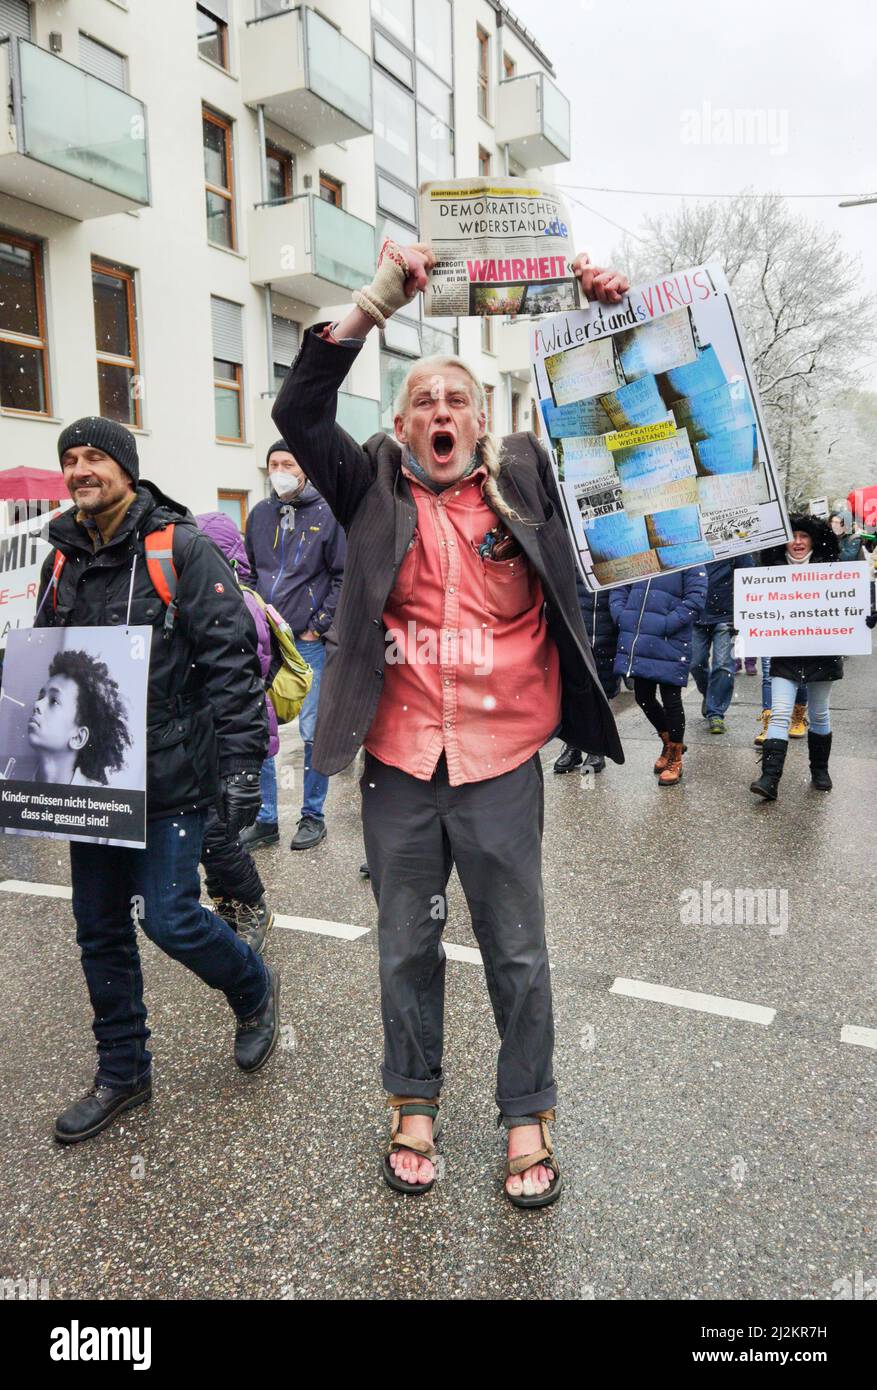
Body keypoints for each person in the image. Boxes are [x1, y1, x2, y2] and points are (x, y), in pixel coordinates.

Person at [271, 239, 628, 1207]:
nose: (440, 411)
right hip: (397, 759)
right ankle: (413, 1102)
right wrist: (381, 294)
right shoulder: (368, 487)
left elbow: (618, 441)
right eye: (423, 400)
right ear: (399, 425)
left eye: (455, 398)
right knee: (404, 946)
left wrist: (604, 318)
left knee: (515, 948)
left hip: (501, 757)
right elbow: (298, 410)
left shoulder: (526, 484)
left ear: (481, 419)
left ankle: (526, 1114)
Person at [37, 417, 281, 1145]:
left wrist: (241, 768)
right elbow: (44, 663)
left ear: (125, 467)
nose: (81, 469)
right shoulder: (60, 560)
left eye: (94, 458)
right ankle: (123, 1072)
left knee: (169, 918)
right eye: (70, 459)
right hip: (90, 780)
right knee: (98, 930)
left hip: (172, 773)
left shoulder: (180, 547)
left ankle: (252, 988)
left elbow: (233, 663)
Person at [242, 442, 346, 852]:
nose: (280, 470)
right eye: (274, 464)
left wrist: (317, 626)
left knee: (311, 732)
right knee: (262, 730)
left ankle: (312, 815)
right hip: (266, 643)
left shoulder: (328, 514)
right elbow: (248, 570)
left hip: (307, 644)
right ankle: (265, 818)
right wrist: (252, 612)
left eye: (288, 463)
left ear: (304, 469)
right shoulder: (260, 515)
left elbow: (341, 575)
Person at [196, 512, 279, 954]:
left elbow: (247, 672)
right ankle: (228, 904)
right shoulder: (216, 595)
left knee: (217, 831)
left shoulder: (238, 602)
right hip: (211, 735)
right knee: (211, 830)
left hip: (233, 737)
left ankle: (252, 904)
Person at [750, 516, 843, 800]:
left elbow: (849, 603)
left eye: (804, 536)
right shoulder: (769, 572)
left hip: (822, 653)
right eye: (793, 536)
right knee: (779, 712)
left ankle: (820, 770)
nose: (799, 542)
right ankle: (770, 778)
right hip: (785, 653)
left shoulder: (833, 570)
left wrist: (863, 617)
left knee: (819, 713)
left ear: (814, 539)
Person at [609, 565, 708, 786]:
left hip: (669, 639)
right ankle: (669, 741)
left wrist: (666, 623)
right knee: (642, 697)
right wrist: (622, 615)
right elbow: (619, 586)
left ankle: (675, 757)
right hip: (640, 636)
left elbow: (696, 598)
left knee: (671, 699)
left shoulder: (688, 556)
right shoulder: (639, 548)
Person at [25, 649, 131, 787]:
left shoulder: (100, 802)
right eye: (40, 696)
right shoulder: (11, 793)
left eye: (54, 701)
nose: (37, 704)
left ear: (78, 738)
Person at [554, 578, 620, 774]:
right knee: (572, 693)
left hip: (606, 634)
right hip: (574, 631)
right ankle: (573, 746)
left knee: (600, 695)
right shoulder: (571, 552)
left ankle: (596, 748)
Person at [691, 555, 752, 734]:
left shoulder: (735, 544)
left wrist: (743, 611)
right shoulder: (692, 542)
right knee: (695, 663)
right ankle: (709, 695)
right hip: (696, 614)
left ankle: (715, 712)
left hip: (727, 616)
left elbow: (748, 575)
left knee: (723, 665)